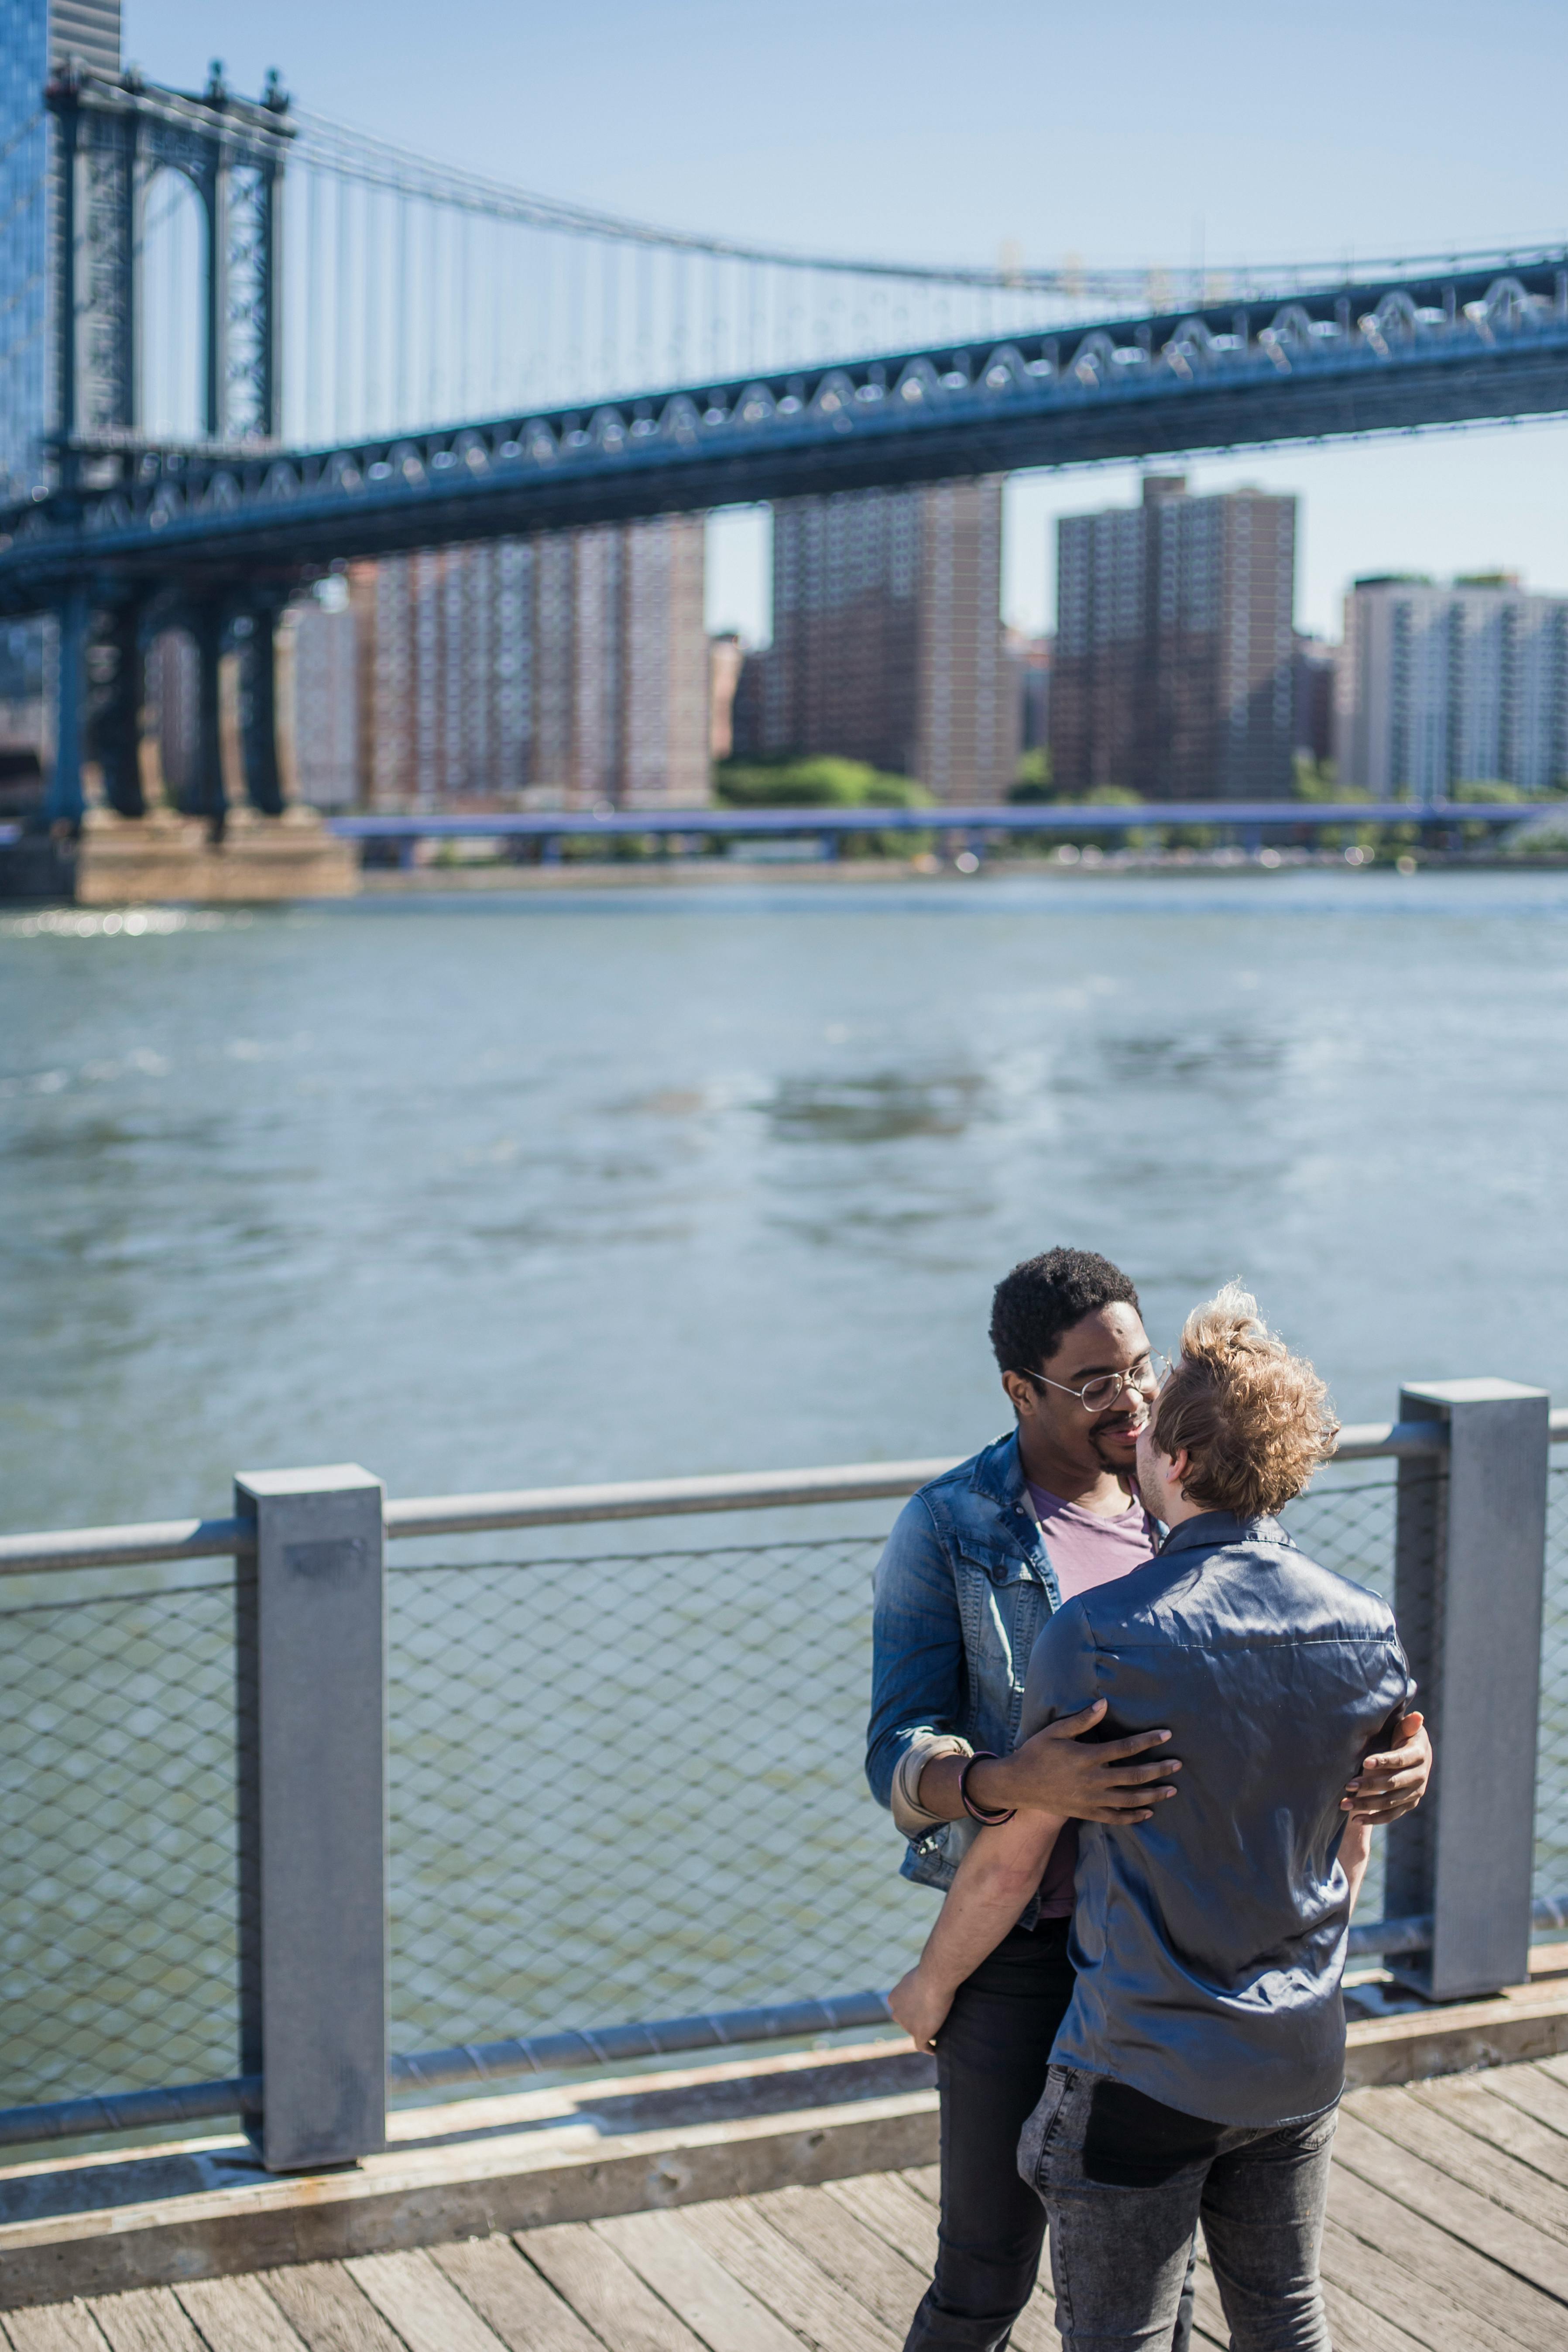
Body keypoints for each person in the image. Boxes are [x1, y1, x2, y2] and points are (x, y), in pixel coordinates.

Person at [865, 1249, 1430, 2352]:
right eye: (1092, 1383)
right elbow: (898, 1753)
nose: (1126, 1398)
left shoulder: (1190, 1479)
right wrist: (1005, 1779)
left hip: (1169, 1965)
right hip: (1024, 1947)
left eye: (1138, 1368)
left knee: (1148, 2294)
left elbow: (1308, 1675)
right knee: (985, 2273)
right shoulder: (950, 1530)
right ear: (1020, 1391)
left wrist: (1411, 1753)